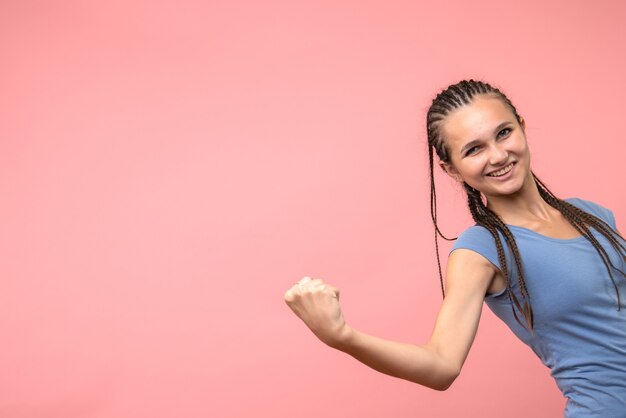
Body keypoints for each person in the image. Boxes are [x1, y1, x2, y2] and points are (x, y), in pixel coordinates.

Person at [283, 80, 626, 417]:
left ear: (522, 126)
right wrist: (342, 337)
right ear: (451, 169)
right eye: (474, 149)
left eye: (504, 133)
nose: (498, 155)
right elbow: (442, 365)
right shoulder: (481, 250)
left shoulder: (592, 216)